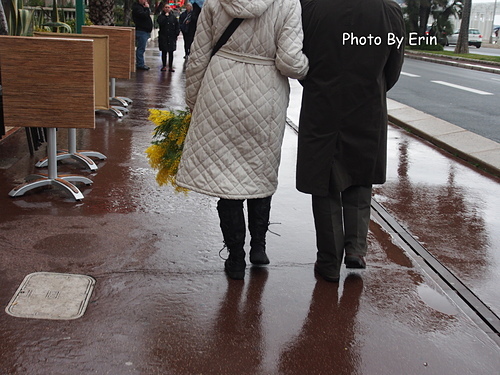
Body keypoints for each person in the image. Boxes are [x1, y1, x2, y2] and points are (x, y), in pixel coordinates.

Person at [176, 0, 309, 280]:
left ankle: (235, 258)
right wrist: (305, 67)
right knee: (260, 172)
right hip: (266, 95)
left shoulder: (215, 3)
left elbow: (198, 56)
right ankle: (258, 247)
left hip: (219, 91)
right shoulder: (288, 4)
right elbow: (289, 62)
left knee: (226, 179)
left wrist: (193, 102)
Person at [296, 0, 405, 282]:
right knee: (360, 176)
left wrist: (320, 83)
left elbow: (299, 57)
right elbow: (394, 66)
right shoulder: (389, 9)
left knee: (325, 183)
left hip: (323, 104)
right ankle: (356, 249)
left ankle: (328, 261)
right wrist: (373, 85)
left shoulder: (311, 7)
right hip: (367, 104)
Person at [157, 3, 180, 72]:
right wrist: (165, 17)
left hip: (171, 37)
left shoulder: (173, 17)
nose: (167, 9)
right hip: (163, 36)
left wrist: (176, 33)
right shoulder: (161, 16)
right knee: (164, 52)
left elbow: (177, 26)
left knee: (171, 52)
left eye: (168, 7)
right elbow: (160, 23)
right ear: (163, 9)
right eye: (166, 7)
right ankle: (164, 66)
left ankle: (170, 66)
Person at [132, 0, 154, 70]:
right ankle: (140, 64)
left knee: (141, 48)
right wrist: (147, 8)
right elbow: (144, 16)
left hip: (145, 31)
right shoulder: (137, 8)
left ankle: (140, 63)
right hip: (142, 31)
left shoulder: (141, 7)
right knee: (141, 49)